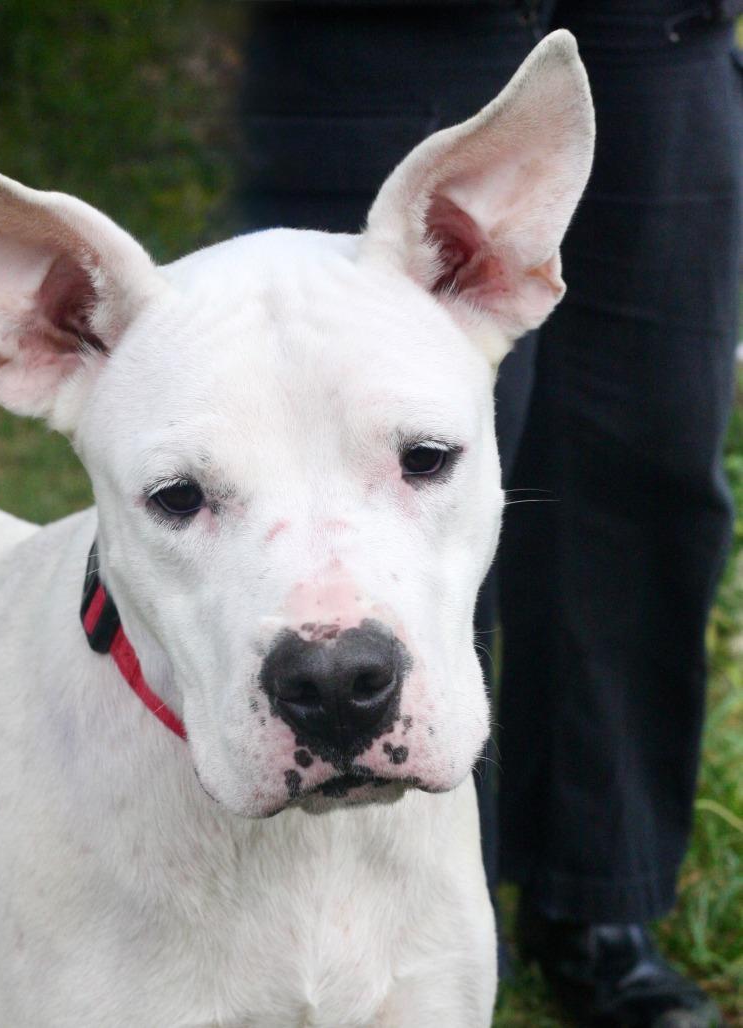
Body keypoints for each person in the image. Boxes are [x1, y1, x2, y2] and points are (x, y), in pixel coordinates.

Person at [237, 2, 742, 1025]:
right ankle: (381, 932)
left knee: (640, 461)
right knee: (355, 485)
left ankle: (596, 898)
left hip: (658, 25)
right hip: (400, 31)